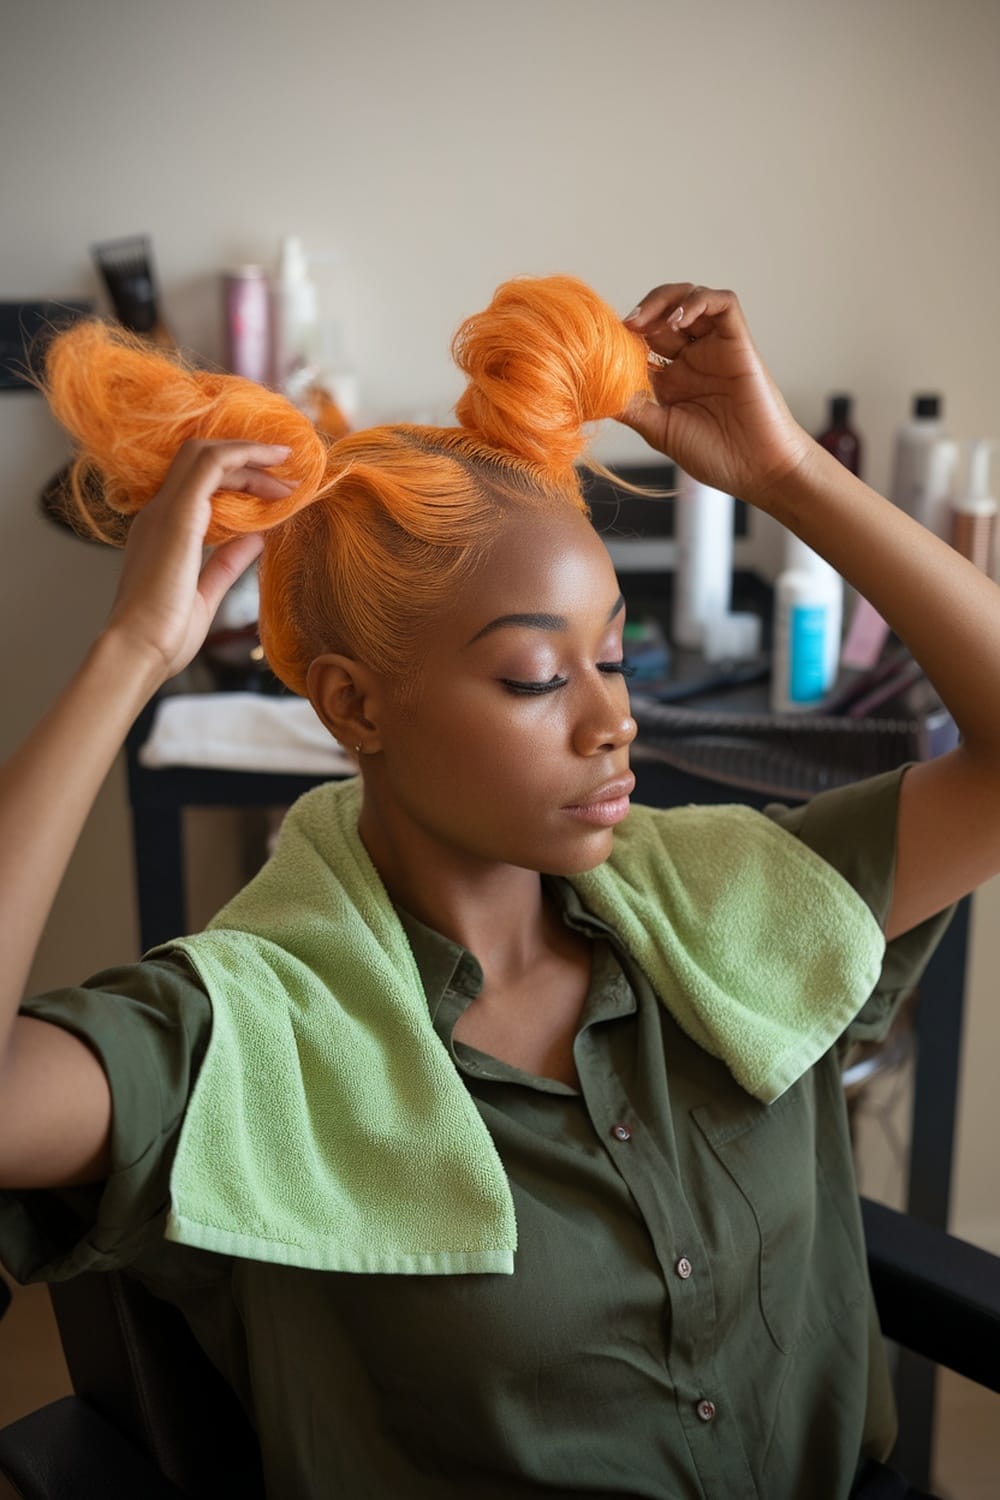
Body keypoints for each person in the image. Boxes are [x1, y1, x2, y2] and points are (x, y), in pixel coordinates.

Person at [0, 274, 993, 1500]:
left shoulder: (733, 904)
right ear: (354, 706)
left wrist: (787, 473)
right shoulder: (256, 1036)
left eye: (613, 657)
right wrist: (132, 653)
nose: (612, 720)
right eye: (535, 677)